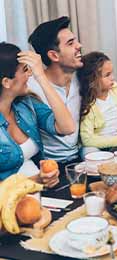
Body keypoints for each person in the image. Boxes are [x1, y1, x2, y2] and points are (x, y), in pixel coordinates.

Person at [0, 42, 75, 187]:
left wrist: (41, 76)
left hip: (40, 192)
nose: (30, 74)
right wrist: (35, 180)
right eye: (25, 70)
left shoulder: (26, 104)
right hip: (10, 202)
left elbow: (67, 127)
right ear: (6, 82)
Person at [27, 16, 83, 169]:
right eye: (71, 43)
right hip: (49, 167)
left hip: (82, 159)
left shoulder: (82, 78)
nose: (80, 46)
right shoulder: (30, 87)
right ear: (53, 55)